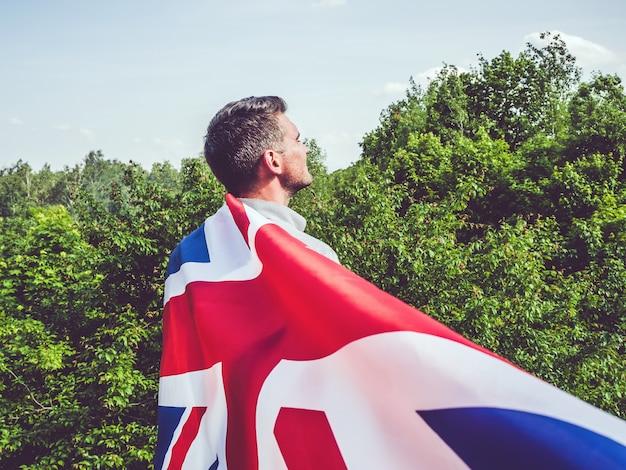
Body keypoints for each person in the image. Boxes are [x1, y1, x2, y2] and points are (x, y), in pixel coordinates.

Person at [203, 95, 339, 263]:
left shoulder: (186, 255)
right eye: (297, 140)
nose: (306, 149)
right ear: (273, 161)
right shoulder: (315, 258)